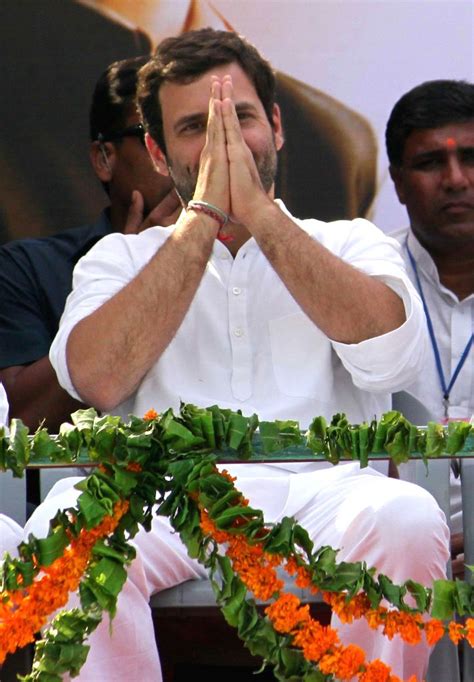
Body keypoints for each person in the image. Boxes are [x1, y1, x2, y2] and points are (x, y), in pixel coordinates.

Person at [27, 30, 449, 681]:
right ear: (157, 152)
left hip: (327, 493)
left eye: (241, 116)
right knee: (67, 523)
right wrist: (202, 219)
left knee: (408, 517)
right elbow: (97, 381)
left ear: (277, 127)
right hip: (163, 499)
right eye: (196, 126)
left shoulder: (353, 241)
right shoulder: (121, 258)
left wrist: (259, 214)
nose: (226, 141)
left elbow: (389, 359)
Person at [0, 56, 179, 435]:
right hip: (85, 491)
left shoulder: (244, 262)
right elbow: (20, 423)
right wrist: (134, 279)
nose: (181, 157)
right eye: (157, 136)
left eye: (196, 132)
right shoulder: (29, 268)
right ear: (103, 159)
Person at [386, 78, 474, 572]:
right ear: (397, 183)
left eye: (471, 157)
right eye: (431, 162)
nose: (456, 179)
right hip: (386, 552)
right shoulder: (363, 283)